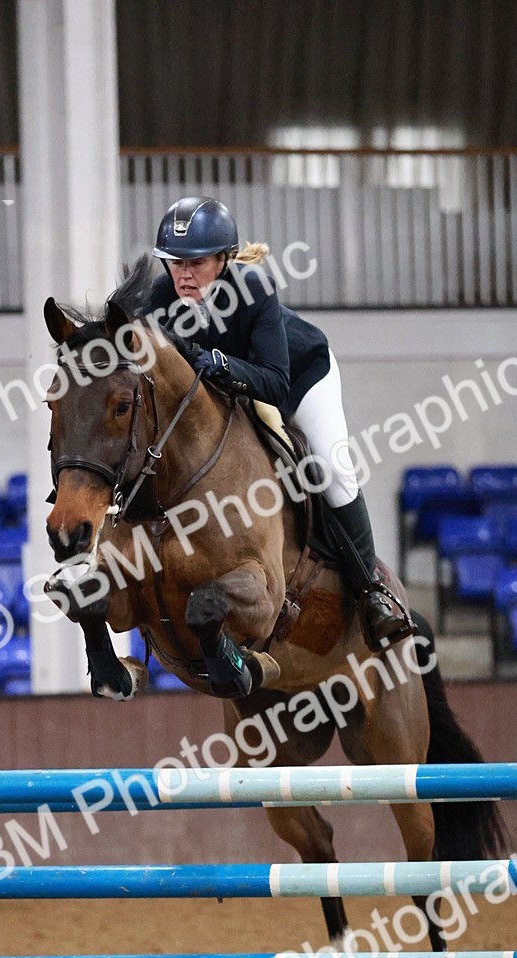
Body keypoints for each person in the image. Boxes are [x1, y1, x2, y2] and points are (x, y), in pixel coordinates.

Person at [147, 195, 413, 648]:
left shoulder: (254, 289)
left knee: (331, 468)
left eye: (196, 263)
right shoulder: (160, 298)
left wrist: (215, 362)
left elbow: (274, 381)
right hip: (228, 391)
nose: (183, 275)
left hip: (300, 378)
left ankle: (372, 591)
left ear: (224, 260)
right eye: (175, 263)